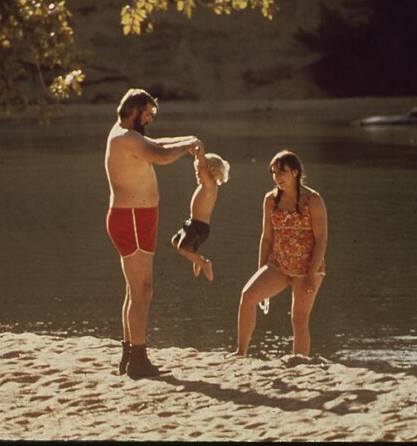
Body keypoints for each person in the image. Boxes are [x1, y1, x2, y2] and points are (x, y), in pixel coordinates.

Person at [105, 88, 201, 378]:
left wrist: (188, 141)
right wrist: (187, 148)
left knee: (135, 290)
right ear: (134, 112)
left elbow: (155, 143)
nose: (149, 120)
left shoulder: (128, 134)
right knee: (143, 290)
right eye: (147, 114)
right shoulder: (124, 138)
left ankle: (128, 356)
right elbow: (160, 155)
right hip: (132, 219)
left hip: (138, 218)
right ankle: (138, 359)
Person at [232, 150, 327, 357]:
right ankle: (241, 352)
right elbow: (266, 237)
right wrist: (261, 269)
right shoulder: (270, 200)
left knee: (299, 320)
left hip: (306, 267)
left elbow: (321, 240)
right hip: (278, 265)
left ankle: (301, 362)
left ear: (295, 172)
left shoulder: (313, 200)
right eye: (274, 173)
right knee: (248, 296)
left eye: (281, 172)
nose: (277, 178)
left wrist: (311, 275)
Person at [170, 144, 230, 282]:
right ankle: (197, 260)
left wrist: (201, 151)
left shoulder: (210, 186)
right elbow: (202, 166)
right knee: (175, 241)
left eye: (199, 172)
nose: (197, 174)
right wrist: (197, 155)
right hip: (192, 224)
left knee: (183, 249)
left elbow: (203, 166)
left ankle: (204, 263)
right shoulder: (205, 185)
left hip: (199, 227)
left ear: (211, 172)